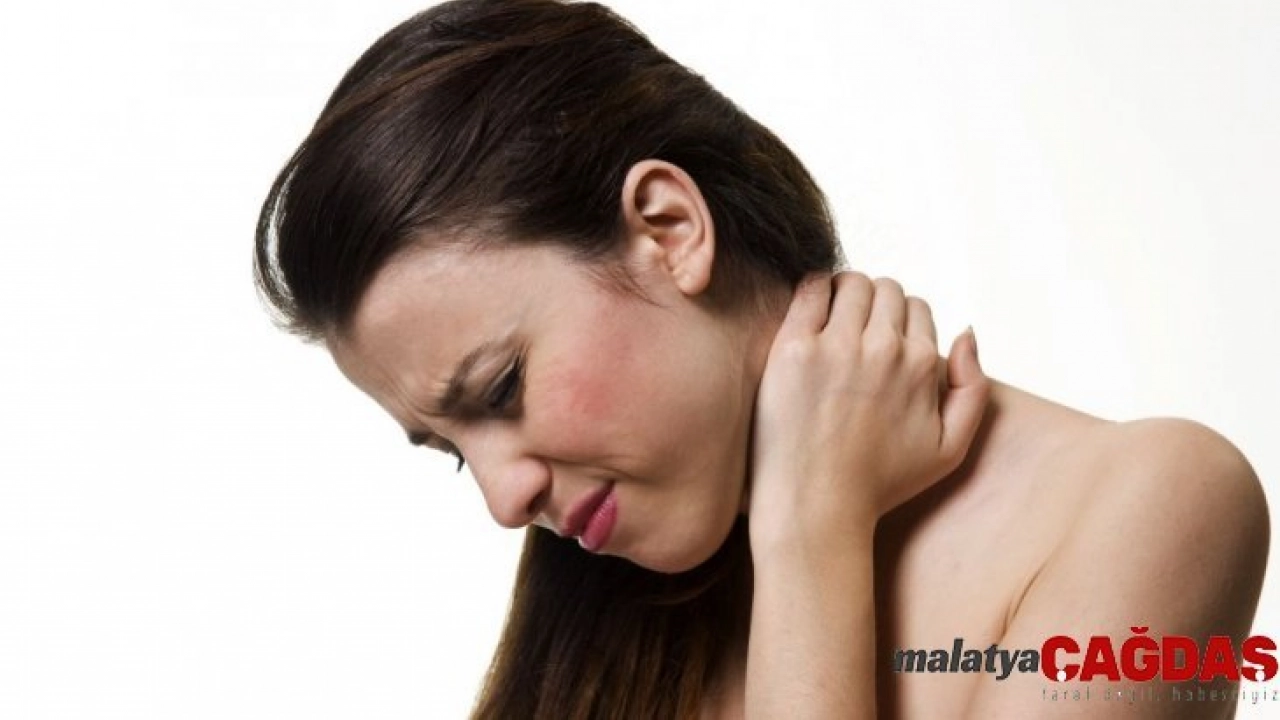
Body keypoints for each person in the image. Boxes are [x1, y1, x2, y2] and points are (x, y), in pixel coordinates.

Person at [253, 0, 1269, 717]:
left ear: (668, 229)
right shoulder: (601, 621)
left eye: (501, 388)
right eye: (451, 451)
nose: (502, 500)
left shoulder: (1149, 504)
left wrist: (810, 533)